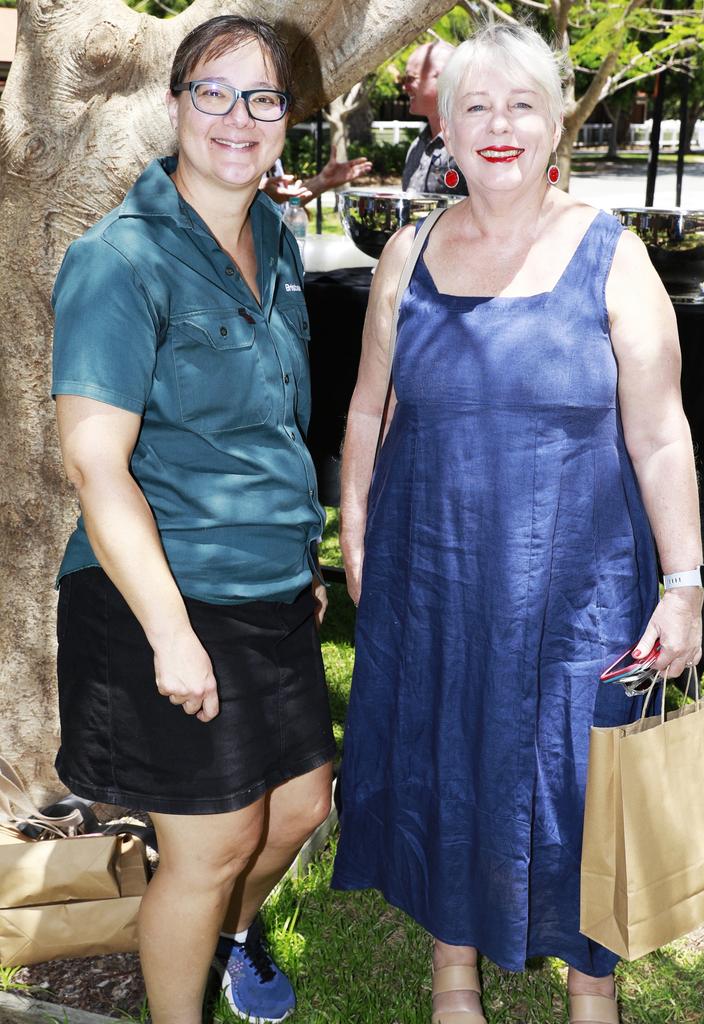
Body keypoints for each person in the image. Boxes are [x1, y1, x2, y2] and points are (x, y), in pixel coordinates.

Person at [332, 24, 704, 1024]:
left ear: (555, 124)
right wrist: (359, 539)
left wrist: (685, 581)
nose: (499, 128)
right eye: (476, 107)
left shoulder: (612, 255)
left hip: (581, 586)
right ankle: (454, 968)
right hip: (434, 576)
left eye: (521, 106)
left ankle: (594, 987)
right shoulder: (405, 254)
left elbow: (663, 433)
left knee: (582, 779)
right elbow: (371, 410)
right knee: (446, 757)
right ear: (444, 126)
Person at [51, 15, 335, 1024]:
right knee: (211, 841)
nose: (236, 117)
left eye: (262, 98)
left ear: (286, 121)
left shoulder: (279, 243)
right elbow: (94, 462)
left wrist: (300, 559)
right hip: (156, 591)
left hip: (266, 587)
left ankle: (223, 934)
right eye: (213, 91)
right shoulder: (118, 260)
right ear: (175, 106)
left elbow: (271, 426)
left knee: (299, 807)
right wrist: (171, 636)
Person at [401, 40, 468, 195]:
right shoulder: (417, 146)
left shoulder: (471, 146)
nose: (405, 87)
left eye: (410, 78)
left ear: (446, 79)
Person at [261, 146, 372, 205]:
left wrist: (323, 182)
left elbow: (293, 202)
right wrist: (258, 195)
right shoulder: (246, 163)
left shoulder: (275, 162)